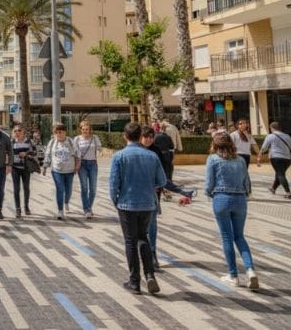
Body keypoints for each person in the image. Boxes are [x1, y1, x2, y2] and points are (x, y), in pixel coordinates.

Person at [109, 123, 166, 295]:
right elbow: (162, 180)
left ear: (125, 136)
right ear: (140, 135)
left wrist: (115, 200)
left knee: (130, 241)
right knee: (143, 237)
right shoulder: (151, 156)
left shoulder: (119, 156)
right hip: (148, 203)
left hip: (127, 203)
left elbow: (114, 183)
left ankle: (134, 281)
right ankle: (150, 275)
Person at [205, 133, 259, 289]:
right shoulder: (241, 160)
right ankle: (250, 270)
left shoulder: (213, 159)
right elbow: (247, 181)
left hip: (221, 198)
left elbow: (209, 183)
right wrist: (246, 193)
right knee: (240, 236)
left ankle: (233, 275)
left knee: (227, 237)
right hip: (240, 199)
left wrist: (208, 194)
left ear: (215, 145)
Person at [140, 127, 195, 270]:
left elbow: (163, 176)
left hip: (153, 196)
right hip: (136, 197)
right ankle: (142, 255)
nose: (148, 140)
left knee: (151, 226)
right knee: (139, 229)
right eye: (146, 137)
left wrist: (179, 191)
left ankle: (152, 255)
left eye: (151, 137)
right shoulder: (133, 151)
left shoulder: (157, 151)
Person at [42, 123, 79, 220]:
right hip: (56, 170)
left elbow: (77, 154)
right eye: (57, 132)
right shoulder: (52, 142)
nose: (59, 134)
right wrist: (45, 167)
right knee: (60, 189)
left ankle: (66, 202)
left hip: (69, 170)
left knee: (68, 190)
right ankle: (60, 211)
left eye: (61, 132)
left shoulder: (71, 141)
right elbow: (48, 154)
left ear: (65, 132)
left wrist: (77, 166)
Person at [73, 121, 102, 219]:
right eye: (83, 129)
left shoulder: (95, 138)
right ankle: (87, 210)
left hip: (93, 164)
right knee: (84, 188)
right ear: (80, 129)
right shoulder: (77, 139)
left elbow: (99, 148)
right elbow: (74, 152)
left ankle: (89, 207)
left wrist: (100, 152)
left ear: (90, 129)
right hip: (82, 165)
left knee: (93, 189)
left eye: (87, 129)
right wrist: (76, 163)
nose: (85, 131)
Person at [257, 121, 291, 199]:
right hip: (288, 159)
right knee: (279, 173)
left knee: (280, 174)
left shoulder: (270, 136)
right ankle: (273, 189)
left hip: (276, 158)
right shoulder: (288, 136)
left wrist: (259, 157)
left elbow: (264, 148)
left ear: (272, 128)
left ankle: (288, 192)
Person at [10, 123, 36, 218]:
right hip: (15, 168)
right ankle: (18, 209)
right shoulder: (12, 142)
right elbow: (8, 153)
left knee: (26, 188)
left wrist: (26, 153)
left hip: (26, 168)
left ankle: (26, 207)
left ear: (23, 132)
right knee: (16, 189)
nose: (17, 133)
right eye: (15, 131)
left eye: (19, 131)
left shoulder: (28, 141)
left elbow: (34, 152)